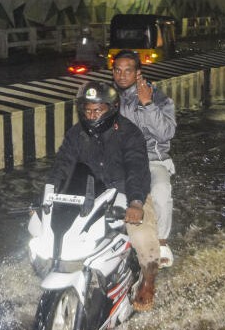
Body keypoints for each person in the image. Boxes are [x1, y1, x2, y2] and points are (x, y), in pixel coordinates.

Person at [45, 81, 161, 310]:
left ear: (112, 108)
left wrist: (136, 202)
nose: (92, 115)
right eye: (87, 110)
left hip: (125, 192)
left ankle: (148, 282)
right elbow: (61, 166)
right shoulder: (76, 134)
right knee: (51, 232)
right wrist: (47, 197)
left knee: (142, 235)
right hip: (91, 193)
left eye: (98, 110)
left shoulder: (129, 133)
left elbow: (137, 168)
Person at [110, 49, 178, 269]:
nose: (121, 76)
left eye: (127, 71)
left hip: (152, 159)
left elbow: (166, 133)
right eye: (117, 71)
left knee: (160, 190)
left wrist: (148, 104)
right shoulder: (110, 98)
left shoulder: (158, 97)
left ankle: (162, 242)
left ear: (138, 72)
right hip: (119, 160)